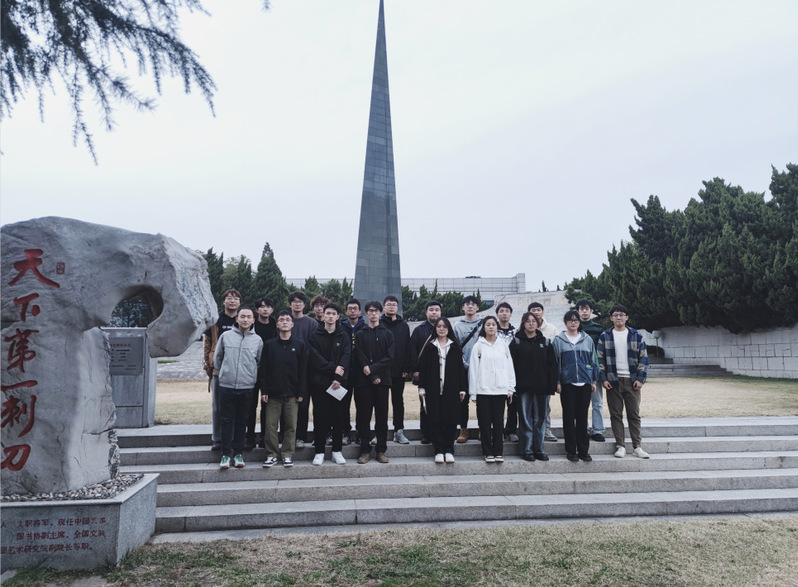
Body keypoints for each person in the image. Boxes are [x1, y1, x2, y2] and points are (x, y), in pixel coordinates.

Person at [597, 304, 650, 459]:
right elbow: (600, 359)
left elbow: (644, 359)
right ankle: (620, 446)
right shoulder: (605, 336)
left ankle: (637, 446)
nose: (618, 317)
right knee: (616, 415)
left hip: (632, 381)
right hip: (613, 381)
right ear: (611, 318)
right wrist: (603, 378)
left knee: (634, 414)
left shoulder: (636, 335)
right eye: (615, 315)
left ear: (627, 317)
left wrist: (640, 379)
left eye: (621, 314)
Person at [213, 307, 263, 469]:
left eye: (249, 317)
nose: (245, 319)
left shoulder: (257, 340)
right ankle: (225, 454)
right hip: (227, 385)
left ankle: (238, 453)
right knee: (226, 420)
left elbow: (259, 362)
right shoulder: (226, 336)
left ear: (253, 320)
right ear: (237, 319)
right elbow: (218, 358)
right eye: (242, 316)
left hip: (247, 386)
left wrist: (250, 376)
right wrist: (225, 373)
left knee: (242, 421)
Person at [261, 311, 308, 468]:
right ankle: (271, 454)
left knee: (290, 426)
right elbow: (264, 370)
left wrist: (301, 392)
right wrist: (264, 390)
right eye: (281, 320)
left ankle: (287, 454)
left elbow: (303, 371)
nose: (285, 322)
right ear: (277, 324)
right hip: (273, 393)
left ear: (292, 324)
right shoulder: (269, 345)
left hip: (292, 393)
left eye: (288, 320)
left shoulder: (300, 345)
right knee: (270, 426)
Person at [307, 302, 351, 465]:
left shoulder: (343, 335)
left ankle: (336, 451)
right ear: (323, 315)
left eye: (333, 314)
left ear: (338, 316)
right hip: (320, 383)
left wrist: (338, 379)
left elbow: (346, 356)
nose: (330, 316)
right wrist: (333, 369)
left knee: (338, 418)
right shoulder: (315, 335)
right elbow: (314, 358)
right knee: (320, 417)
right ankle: (319, 451)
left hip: (338, 384)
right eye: (328, 313)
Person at [417, 317, 467, 463]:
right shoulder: (430, 347)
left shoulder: (455, 347)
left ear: (448, 329)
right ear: (435, 329)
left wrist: (462, 389)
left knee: (450, 420)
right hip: (432, 389)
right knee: (434, 420)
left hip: (451, 389)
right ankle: (438, 450)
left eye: (444, 326)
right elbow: (423, 369)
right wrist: (421, 388)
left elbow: (460, 370)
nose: (441, 329)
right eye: (439, 326)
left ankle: (449, 450)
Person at [510, 312, 557, 461]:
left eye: (534, 321)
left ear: (538, 324)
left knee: (540, 419)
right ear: (523, 324)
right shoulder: (516, 342)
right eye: (528, 321)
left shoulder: (546, 342)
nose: (531, 323)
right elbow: (511, 366)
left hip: (541, 387)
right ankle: (527, 449)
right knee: (525, 419)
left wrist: (551, 386)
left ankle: (539, 449)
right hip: (523, 388)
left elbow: (552, 366)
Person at [553, 310, 598, 463]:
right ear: (565, 322)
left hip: (585, 383)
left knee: (582, 417)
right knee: (568, 417)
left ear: (579, 322)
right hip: (567, 383)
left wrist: (593, 380)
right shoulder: (558, 340)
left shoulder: (587, 339)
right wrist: (557, 382)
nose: (573, 323)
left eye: (576, 320)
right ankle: (571, 451)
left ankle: (583, 451)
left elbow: (593, 360)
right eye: (570, 320)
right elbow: (555, 363)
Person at [468, 316, 515, 463]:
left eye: (493, 324)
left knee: (499, 422)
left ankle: (498, 451)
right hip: (483, 391)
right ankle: (488, 452)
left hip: (500, 390)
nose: (491, 327)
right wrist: (473, 392)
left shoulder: (503, 345)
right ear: (484, 327)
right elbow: (473, 370)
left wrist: (510, 388)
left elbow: (509, 367)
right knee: (484, 423)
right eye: (488, 324)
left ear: (497, 327)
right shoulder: (478, 346)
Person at [354, 301, 394, 464]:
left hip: (382, 381)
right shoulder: (360, 334)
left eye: (376, 311)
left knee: (382, 417)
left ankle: (381, 450)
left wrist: (373, 370)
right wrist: (370, 374)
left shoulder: (387, 333)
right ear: (366, 313)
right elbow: (359, 355)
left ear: (380, 312)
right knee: (363, 416)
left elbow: (389, 357)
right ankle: (365, 450)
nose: (373, 313)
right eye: (370, 311)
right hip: (363, 382)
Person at [202, 288, 241, 451]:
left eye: (236, 298)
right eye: (229, 298)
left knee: (238, 407)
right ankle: (217, 438)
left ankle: (236, 437)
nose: (232, 301)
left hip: (239, 369)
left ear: (239, 302)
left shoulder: (243, 319)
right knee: (218, 406)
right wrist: (208, 364)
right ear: (223, 301)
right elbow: (207, 343)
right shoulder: (215, 320)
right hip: (219, 369)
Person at [410, 300, 442, 444]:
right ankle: (425, 433)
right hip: (424, 373)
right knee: (425, 404)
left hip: (442, 372)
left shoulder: (445, 327)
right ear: (426, 312)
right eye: (431, 310)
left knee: (441, 404)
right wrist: (415, 370)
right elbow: (412, 351)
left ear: (440, 312)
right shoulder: (419, 330)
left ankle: (439, 432)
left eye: (436, 310)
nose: (434, 312)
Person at [380, 295, 412, 444]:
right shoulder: (379, 323)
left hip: (399, 371)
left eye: (394, 304)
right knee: (381, 403)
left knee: (398, 401)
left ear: (397, 307)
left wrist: (407, 367)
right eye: (388, 304)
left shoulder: (403, 325)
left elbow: (407, 347)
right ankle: (380, 431)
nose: (391, 306)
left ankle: (399, 430)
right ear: (384, 307)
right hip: (382, 371)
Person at [287, 291, 316, 448]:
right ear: (290, 304)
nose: (297, 304)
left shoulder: (311, 323)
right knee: (288, 405)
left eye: (300, 302)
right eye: (294, 301)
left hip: (307, 370)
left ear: (304, 305)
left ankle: (301, 437)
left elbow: (314, 345)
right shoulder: (285, 320)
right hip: (287, 371)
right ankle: (287, 436)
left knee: (303, 405)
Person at [528, 301, 561, 443]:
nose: (536, 312)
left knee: (545, 406)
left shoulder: (552, 329)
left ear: (542, 312)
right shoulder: (523, 329)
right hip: (528, 375)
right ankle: (529, 431)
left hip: (545, 374)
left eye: (538, 309)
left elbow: (556, 354)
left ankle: (546, 429)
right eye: (533, 310)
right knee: (528, 406)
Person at [247, 295, 276, 449]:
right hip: (252, 370)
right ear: (257, 310)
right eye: (262, 306)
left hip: (270, 371)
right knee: (250, 406)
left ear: (272, 309)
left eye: (268, 306)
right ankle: (250, 437)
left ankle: (265, 437)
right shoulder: (250, 325)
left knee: (267, 407)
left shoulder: (276, 325)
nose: (265, 309)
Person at [452, 295, 483, 443]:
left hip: (481, 369)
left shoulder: (483, 324)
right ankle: (463, 429)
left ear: (477, 307)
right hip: (463, 368)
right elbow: (455, 347)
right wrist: (464, 364)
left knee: (482, 400)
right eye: (467, 304)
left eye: (473, 304)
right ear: (463, 307)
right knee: (462, 401)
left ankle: (483, 429)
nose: (470, 306)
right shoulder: (457, 326)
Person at [576, 299, 606, 443]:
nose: (584, 311)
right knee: (580, 402)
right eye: (581, 309)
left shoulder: (598, 329)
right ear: (578, 311)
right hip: (579, 370)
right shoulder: (574, 327)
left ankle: (598, 430)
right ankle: (582, 429)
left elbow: (602, 350)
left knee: (597, 401)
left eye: (587, 309)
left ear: (591, 311)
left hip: (594, 369)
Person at [340, 298, 366, 444]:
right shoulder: (340, 327)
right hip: (345, 372)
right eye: (350, 308)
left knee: (362, 404)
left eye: (355, 308)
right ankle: (345, 431)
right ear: (346, 311)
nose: (352, 311)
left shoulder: (365, 327)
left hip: (362, 372)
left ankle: (361, 433)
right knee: (343, 404)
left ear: (360, 311)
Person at [495, 302, 518, 442]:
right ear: (497, 314)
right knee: (497, 405)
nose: (504, 313)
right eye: (501, 311)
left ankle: (511, 430)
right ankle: (498, 430)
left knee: (513, 403)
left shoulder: (517, 332)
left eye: (507, 311)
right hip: (496, 372)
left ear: (510, 314)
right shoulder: (492, 331)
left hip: (512, 372)